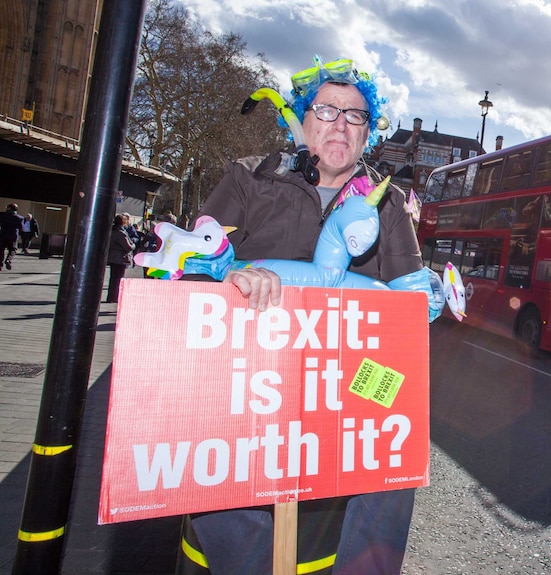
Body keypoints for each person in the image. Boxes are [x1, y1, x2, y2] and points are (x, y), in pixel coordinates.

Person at [187, 56, 435, 575]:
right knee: (223, 471)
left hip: (345, 377)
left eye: (356, 116)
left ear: (370, 131)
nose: (341, 124)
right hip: (248, 376)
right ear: (301, 118)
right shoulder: (249, 178)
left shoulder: (386, 204)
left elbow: (410, 304)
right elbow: (188, 264)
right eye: (326, 110)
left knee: (398, 449)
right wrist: (227, 278)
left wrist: (430, 295)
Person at [105, 214, 135, 303]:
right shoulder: (121, 233)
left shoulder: (112, 231)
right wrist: (133, 245)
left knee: (113, 278)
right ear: (123, 222)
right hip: (121, 258)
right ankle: (115, 297)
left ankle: (111, 296)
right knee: (118, 279)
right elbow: (128, 247)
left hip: (113, 257)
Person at [0, 203, 24, 270]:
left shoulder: (2, 215)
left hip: (3, 235)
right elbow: (21, 228)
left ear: (8, 208)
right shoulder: (20, 218)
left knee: (1, 250)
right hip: (13, 236)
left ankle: (0, 265)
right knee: (12, 249)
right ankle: (8, 260)